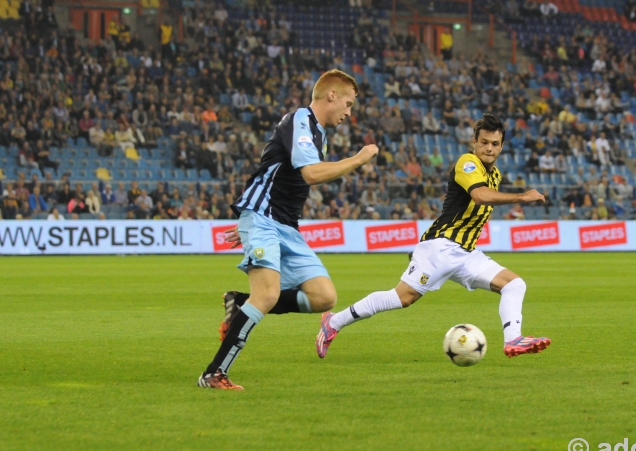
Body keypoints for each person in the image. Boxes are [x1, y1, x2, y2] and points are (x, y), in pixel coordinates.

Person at [315, 114, 551, 361]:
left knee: (514, 284)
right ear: (474, 142)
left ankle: (513, 339)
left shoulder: (495, 175)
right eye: (484, 142)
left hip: (466, 254)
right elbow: (480, 196)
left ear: (501, 146)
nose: (489, 148)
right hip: (441, 247)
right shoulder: (467, 162)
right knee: (402, 298)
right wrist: (521, 197)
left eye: (494, 143)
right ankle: (333, 322)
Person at [198, 70, 379, 390]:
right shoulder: (300, 119)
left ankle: (240, 304)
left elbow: (280, 177)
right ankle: (214, 373)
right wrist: (359, 158)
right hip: (264, 219)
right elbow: (310, 174)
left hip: (283, 224)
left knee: (324, 297)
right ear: (332, 95)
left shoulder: (318, 134)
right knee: (266, 294)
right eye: (348, 104)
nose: (349, 113)